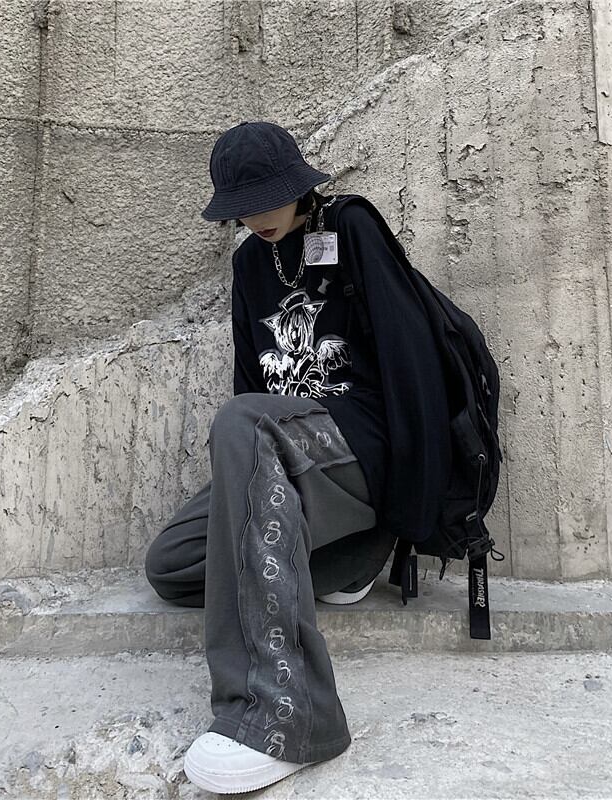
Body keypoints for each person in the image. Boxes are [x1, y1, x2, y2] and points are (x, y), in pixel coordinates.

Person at [145, 120, 437, 794]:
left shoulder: (351, 227)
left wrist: (413, 509)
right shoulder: (249, 265)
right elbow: (252, 383)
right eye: (241, 208)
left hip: (358, 446)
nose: (256, 218)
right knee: (172, 565)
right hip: (285, 454)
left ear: (298, 186)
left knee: (241, 419)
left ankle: (285, 714)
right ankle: (348, 558)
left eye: (266, 200)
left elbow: (411, 358)